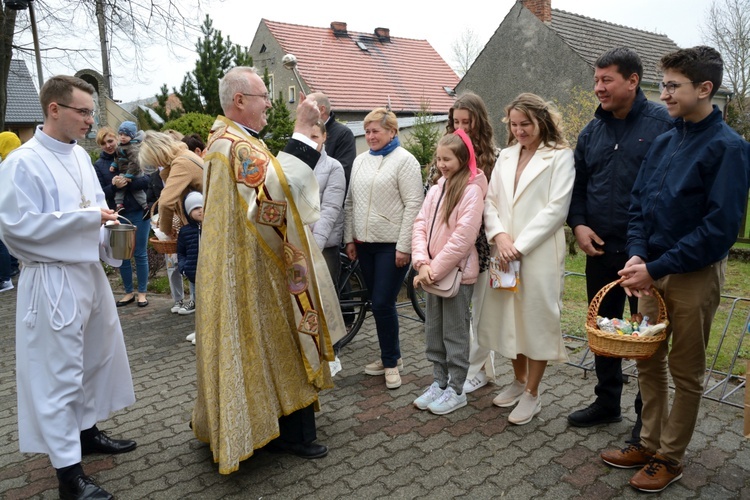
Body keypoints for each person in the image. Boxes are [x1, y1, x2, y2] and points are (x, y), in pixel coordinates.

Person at [600, 46, 750, 493]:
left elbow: (719, 230)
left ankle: (670, 457)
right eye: (661, 84)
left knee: (685, 371)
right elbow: (639, 206)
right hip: (651, 269)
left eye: (672, 85)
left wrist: (657, 264)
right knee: (647, 361)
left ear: (705, 89)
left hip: (692, 274)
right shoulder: (666, 139)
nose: (662, 93)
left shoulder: (730, 148)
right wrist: (638, 254)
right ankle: (647, 443)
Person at [191, 66, 345, 474]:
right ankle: (290, 433)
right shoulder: (234, 145)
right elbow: (273, 196)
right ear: (240, 100)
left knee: (266, 345)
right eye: (263, 96)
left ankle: (271, 426)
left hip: (249, 267)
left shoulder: (225, 138)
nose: (268, 104)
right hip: (256, 270)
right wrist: (301, 131)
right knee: (280, 340)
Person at [0, 75, 136, 500]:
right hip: (52, 278)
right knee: (58, 374)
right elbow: (15, 229)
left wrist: (111, 230)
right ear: (54, 109)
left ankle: (86, 431)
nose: (91, 120)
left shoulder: (79, 156)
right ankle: (68, 475)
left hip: (88, 273)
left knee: (95, 357)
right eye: (84, 112)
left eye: (92, 112)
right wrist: (88, 222)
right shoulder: (21, 163)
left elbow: (95, 207)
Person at [566, 48, 673, 435]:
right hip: (599, 250)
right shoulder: (592, 131)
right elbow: (577, 186)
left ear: (633, 80)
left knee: (644, 336)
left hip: (644, 257)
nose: (598, 88)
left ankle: (646, 418)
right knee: (604, 329)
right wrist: (577, 224)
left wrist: (645, 251)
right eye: (596, 80)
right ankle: (607, 401)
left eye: (606, 79)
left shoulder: (664, 125)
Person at [476, 93, 575, 425]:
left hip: (538, 254)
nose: (519, 131)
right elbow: (490, 201)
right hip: (503, 251)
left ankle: (533, 394)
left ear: (541, 121)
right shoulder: (506, 156)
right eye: (514, 125)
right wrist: (500, 236)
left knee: (536, 320)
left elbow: (556, 208)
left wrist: (519, 245)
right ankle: (518, 381)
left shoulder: (559, 156)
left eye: (526, 124)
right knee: (508, 317)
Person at [344, 107, 424, 389]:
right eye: (366, 131)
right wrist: (349, 238)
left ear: (392, 131)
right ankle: (393, 356)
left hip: (392, 245)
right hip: (364, 244)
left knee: (381, 302)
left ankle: (390, 363)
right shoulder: (360, 161)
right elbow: (350, 202)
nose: (370, 136)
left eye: (375, 130)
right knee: (378, 304)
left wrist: (405, 247)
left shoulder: (406, 161)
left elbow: (415, 205)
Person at [411, 130, 487, 414]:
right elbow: (420, 224)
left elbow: (463, 238)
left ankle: (457, 388)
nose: (441, 164)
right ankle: (439, 382)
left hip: (456, 274)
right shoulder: (435, 188)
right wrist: (422, 262)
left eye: (447, 159)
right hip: (431, 272)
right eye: (439, 158)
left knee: (454, 333)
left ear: (462, 158)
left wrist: (434, 268)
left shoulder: (471, 191)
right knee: (434, 331)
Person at [428, 92, 499, 395]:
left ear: (478, 121)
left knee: (480, 309)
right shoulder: (446, 150)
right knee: (453, 316)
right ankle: (454, 373)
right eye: (455, 121)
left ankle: (478, 369)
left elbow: (496, 201)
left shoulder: (492, 156)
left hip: (481, 242)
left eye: (466, 122)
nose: (459, 127)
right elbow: (433, 193)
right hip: (449, 241)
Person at [138, 131, 204, 240]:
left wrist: (166, 231)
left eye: (153, 161)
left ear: (157, 155)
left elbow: (165, 202)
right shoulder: (184, 155)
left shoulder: (181, 163)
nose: (155, 165)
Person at [308, 120, 346, 284]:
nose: (310, 141)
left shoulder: (333, 167)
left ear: (324, 137)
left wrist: (315, 247)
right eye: (306, 136)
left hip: (324, 246)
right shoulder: (294, 165)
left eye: (315, 136)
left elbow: (330, 210)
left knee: (327, 299)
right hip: (300, 243)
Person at [308, 92, 356, 187]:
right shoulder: (303, 133)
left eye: (308, 108)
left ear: (321, 109)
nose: (303, 112)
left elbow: (343, 172)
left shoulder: (343, 134)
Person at [177, 191, 203, 343]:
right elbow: (180, 252)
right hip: (193, 275)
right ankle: (198, 330)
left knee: (207, 304)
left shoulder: (212, 227)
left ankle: (205, 333)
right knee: (197, 305)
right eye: (195, 208)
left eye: (201, 206)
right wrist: (183, 267)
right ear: (188, 212)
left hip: (209, 275)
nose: (199, 210)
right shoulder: (185, 231)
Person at [0, 131, 22, 293]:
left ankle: (4, 278)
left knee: (2, 242)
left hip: (7, 208)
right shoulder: (23, 160)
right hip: (19, 208)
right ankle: (13, 266)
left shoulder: (6, 165)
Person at [111, 121, 147, 211]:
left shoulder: (133, 147)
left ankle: (145, 205)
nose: (122, 137)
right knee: (120, 185)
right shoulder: (121, 146)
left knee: (136, 191)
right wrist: (114, 165)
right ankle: (119, 204)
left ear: (132, 136)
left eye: (126, 135)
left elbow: (134, 162)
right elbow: (118, 157)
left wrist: (129, 175)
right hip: (125, 171)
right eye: (121, 134)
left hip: (134, 172)